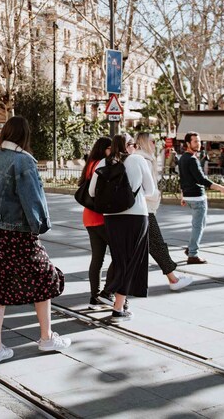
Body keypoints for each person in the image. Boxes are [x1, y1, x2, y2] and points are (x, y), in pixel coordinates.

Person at [0, 116, 70, 364]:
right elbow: (33, 200)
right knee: (44, 279)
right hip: (20, 235)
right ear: (25, 136)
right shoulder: (24, 162)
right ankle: (46, 337)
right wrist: (40, 226)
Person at [88, 133, 154, 322]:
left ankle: (117, 301)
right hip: (136, 215)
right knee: (132, 260)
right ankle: (118, 307)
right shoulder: (137, 160)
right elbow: (150, 190)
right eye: (132, 144)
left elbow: (92, 191)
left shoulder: (103, 163)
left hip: (111, 218)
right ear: (129, 145)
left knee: (120, 259)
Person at [134, 132, 193, 292]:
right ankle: (173, 279)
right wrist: (156, 195)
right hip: (144, 210)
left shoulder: (141, 159)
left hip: (141, 209)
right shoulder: (144, 160)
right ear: (145, 142)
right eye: (153, 141)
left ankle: (113, 287)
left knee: (138, 248)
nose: (155, 144)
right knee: (157, 244)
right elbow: (144, 187)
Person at [179, 132, 224, 264]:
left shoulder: (182, 159)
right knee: (198, 226)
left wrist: (182, 196)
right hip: (197, 197)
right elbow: (201, 179)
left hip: (189, 196)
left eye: (199, 141)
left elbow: (182, 179)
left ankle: (191, 248)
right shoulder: (192, 159)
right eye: (195, 142)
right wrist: (221, 188)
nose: (198, 144)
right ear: (188, 144)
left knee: (199, 225)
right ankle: (193, 254)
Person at [79, 136, 116, 308]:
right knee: (120, 255)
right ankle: (107, 293)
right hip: (101, 216)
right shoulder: (102, 164)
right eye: (110, 148)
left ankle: (94, 297)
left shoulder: (90, 164)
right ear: (104, 149)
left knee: (97, 258)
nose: (112, 151)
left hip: (89, 215)